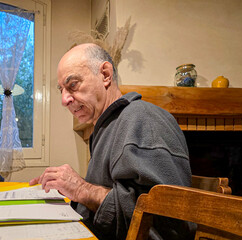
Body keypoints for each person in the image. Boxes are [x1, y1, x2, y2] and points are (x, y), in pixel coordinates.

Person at [29, 43, 194, 239]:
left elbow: (164, 223)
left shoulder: (143, 118)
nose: (64, 100)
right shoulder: (106, 127)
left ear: (106, 74)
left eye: (72, 85)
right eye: (61, 90)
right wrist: (66, 191)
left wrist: (82, 189)